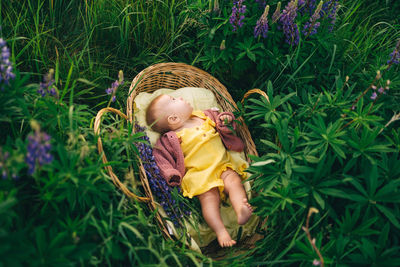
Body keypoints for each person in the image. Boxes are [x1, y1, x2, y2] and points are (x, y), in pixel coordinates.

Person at [146, 94, 253, 247]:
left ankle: (240, 209)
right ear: (173, 119)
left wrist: (226, 121)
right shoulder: (170, 138)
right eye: (174, 100)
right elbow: (160, 158)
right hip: (199, 174)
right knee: (209, 200)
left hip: (222, 165)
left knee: (234, 181)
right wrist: (171, 174)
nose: (180, 98)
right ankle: (220, 230)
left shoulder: (205, 115)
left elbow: (226, 123)